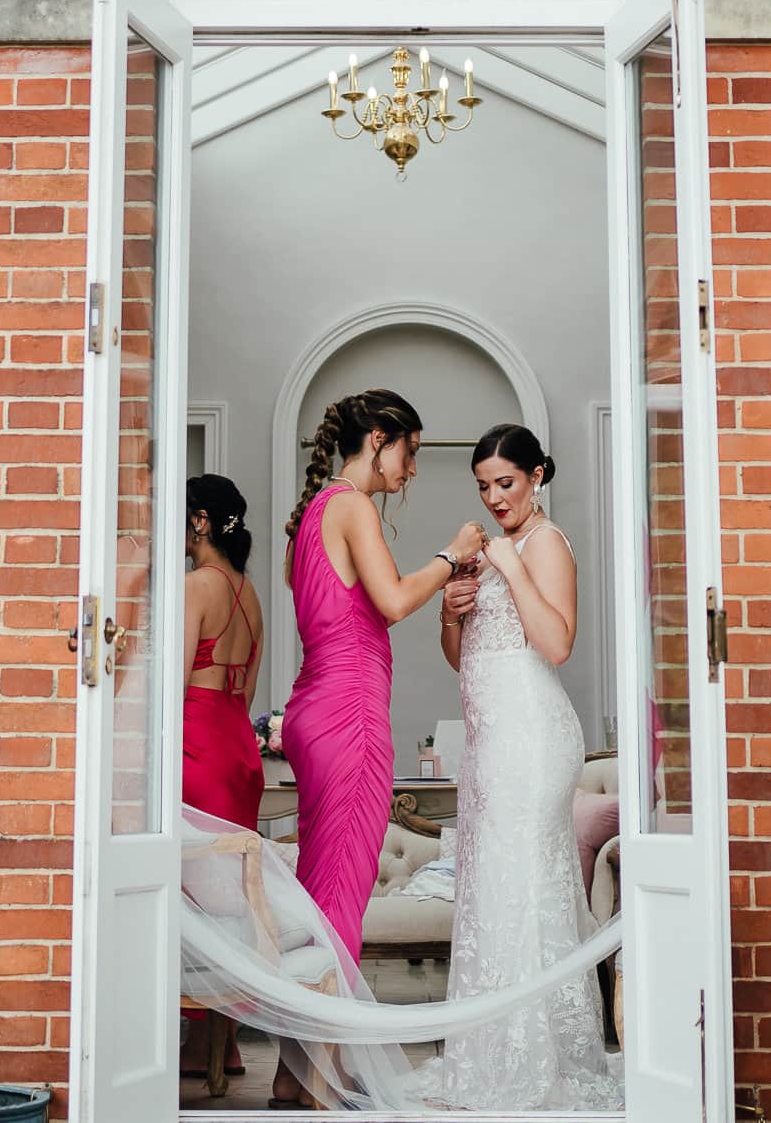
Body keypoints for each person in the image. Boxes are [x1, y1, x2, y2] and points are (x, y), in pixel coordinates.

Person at [275, 388, 484, 1107]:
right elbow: (392, 602)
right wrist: (450, 556)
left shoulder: (311, 516)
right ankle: (316, 1080)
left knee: (318, 892)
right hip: (350, 716)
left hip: (314, 708)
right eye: (412, 450)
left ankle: (293, 1072)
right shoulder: (352, 506)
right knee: (339, 900)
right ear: (376, 437)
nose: (414, 468)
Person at [419, 423, 622, 1109]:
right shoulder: (492, 550)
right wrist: (451, 617)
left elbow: (557, 642)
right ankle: (490, 1053)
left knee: (524, 885)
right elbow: (467, 659)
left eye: (505, 482)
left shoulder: (545, 543)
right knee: (488, 888)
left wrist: (506, 564)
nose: (494, 496)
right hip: (488, 740)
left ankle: (540, 1059)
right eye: (483, 486)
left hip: (533, 737)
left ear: (537, 476)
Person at [179, 474, 265, 1080]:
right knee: (228, 897)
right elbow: (250, 687)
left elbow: (176, 681)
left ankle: (193, 1042)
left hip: (198, 741)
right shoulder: (249, 593)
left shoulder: (195, 587)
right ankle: (224, 1044)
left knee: (191, 890)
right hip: (238, 745)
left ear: (202, 521)